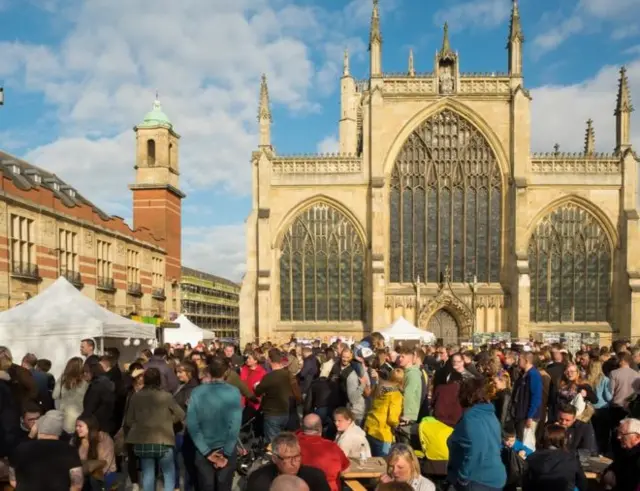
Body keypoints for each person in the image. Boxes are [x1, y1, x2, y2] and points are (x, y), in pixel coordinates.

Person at [125, 367, 185, 491]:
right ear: (159, 380)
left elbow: (129, 420)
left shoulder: (136, 397)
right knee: (168, 473)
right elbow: (181, 414)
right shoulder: (166, 396)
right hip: (164, 439)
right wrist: (168, 421)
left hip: (143, 440)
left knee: (148, 473)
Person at [187, 357, 242, 491]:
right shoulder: (234, 392)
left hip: (203, 449)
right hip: (225, 448)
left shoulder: (197, 392)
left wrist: (206, 452)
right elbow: (235, 426)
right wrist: (227, 453)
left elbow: (192, 425)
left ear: (209, 371)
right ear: (227, 372)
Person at [447, 378, 506, 491]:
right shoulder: (490, 415)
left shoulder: (471, 418)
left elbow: (477, 450)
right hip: (493, 477)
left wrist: (463, 477)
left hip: (478, 479)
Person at [9, 410, 83, 491]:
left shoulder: (20, 448)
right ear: (60, 429)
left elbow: (13, 480)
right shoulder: (69, 450)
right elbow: (77, 485)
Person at [246, 432, 330, 491]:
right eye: (288, 458)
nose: (294, 463)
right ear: (275, 459)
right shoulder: (259, 481)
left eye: (297, 457)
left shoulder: (315, 477)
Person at [522, 424, 588, 491]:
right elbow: (582, 483)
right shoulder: (572, 458)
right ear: (564, 441)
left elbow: (525, 484)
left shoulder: (532, 458)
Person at [296, 414, 350, 491]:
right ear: (320, 428)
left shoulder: (292, 445)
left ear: (302, 427)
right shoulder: (332, 447)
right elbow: (346, 469)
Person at [255, 349, 295, 443]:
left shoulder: (269, 377)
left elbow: (258, 392)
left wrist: (256, 386)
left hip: (272, 413)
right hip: (286, 412)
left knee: (273, 443)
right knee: (283, 441)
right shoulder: (288, 375)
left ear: (269, 360)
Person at [364, 367, 404, 457]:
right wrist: (398, 424)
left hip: (370, 427)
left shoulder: (379, 388)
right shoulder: (396, 395)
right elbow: (392, 419)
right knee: (382, 463)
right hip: (383, 433)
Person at [71, 414, 117, 487]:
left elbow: (105, 462)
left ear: (90, 426)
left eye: (80, 426)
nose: (77, 428)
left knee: (92, 480)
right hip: (85, 474)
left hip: (105, 475)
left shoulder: (103, 438)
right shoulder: (75, 440)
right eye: (76, 426)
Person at [510, 352, 542, 450]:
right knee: (521, 440)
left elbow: (536, 397)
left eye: (520, 359)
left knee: (527, 443)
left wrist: (530, 416)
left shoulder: (533, 375)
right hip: (521, 414)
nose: (518, 361)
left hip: (528, 415)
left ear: (526, 361)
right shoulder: (524, 374)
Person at [601, 418, 640, 491]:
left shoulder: (636, 457)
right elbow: (615, 465)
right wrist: (610, 471)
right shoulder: (625, 450)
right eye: (618, 432)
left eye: (622, 434)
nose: (618, 437)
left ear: (637, 437)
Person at [53, 357, 88, 437]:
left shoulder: (62, 380)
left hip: (64, 415)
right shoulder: (85, 382)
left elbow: (55, 395)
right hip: (80, 416)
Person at [82, 359, 116, 435]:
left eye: (87, 372)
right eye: (83, 372)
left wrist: (83, 420)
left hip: (96, 424)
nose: (84, 374)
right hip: (104, 423)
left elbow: (90, 406)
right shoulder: (106, 383)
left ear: (93, 372)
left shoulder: (97, 386)